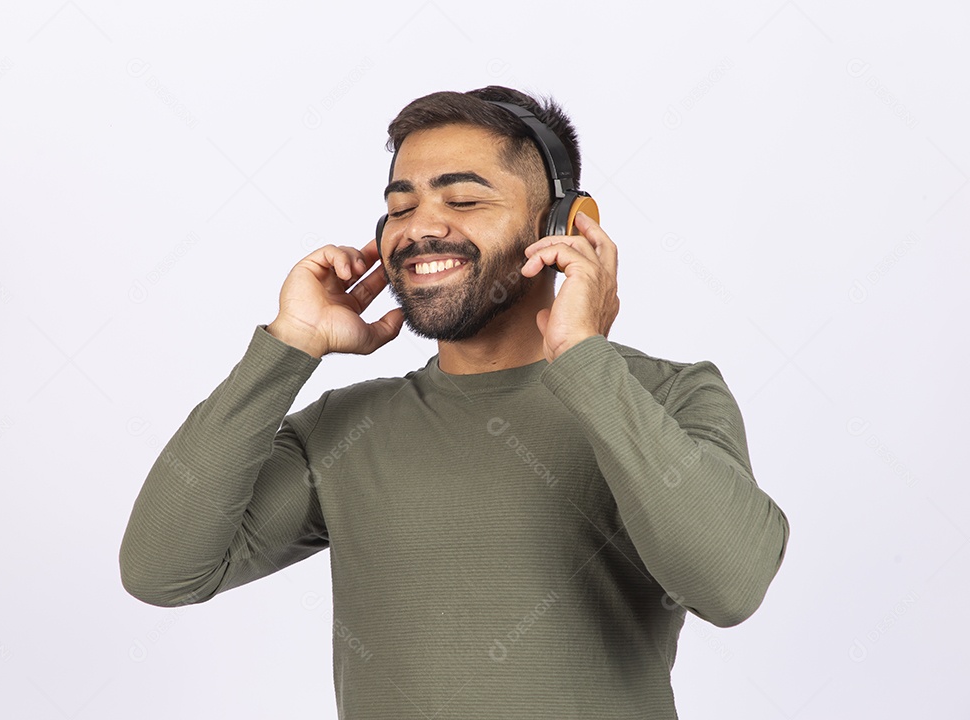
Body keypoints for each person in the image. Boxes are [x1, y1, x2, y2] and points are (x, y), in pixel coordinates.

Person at [120, 85, 790, 719]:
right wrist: (287, 346)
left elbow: (729, 586)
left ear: (562, 224)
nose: (420, 228)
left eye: (463, 199)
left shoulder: (665, 396)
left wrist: (586, 358)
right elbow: (162, 571)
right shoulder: (345, 428)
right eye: (401, 205)